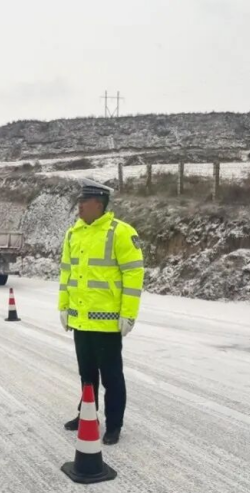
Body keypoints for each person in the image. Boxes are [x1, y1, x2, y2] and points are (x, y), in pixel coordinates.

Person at [58, 178, 145, 445]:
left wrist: (128, 314)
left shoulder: (120, 232)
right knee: (86, 375)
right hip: (81, 321)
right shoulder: (73, 234)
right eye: (79, 201)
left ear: (99, 204)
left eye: (84, 201)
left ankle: (114, 425)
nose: (79, 206)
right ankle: (87, 416)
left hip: (107, 324)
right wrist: (63, 307)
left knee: (111, 378)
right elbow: (66, 273)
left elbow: (134, 275)